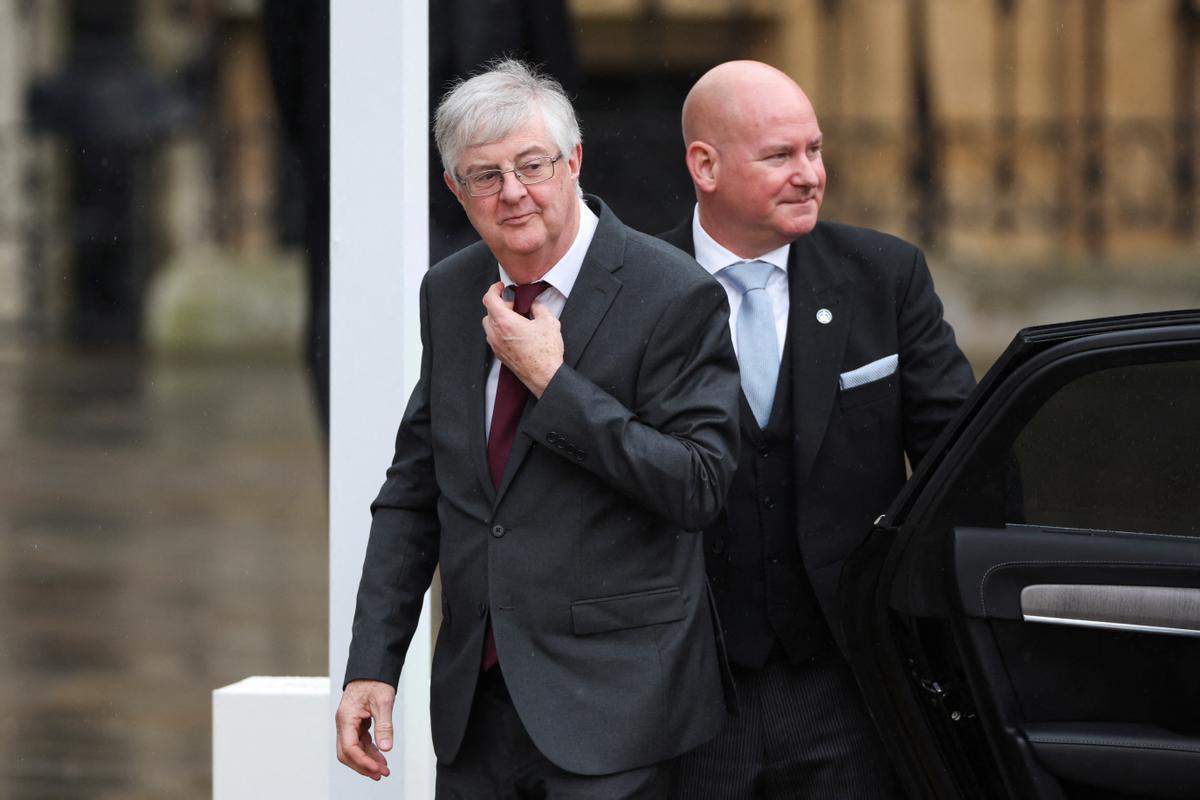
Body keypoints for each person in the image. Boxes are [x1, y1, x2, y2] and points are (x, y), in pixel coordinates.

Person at [335, 59, 741, 799]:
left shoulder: (674, 292)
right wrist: (372, 665)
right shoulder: (452, 289)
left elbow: (697, 486)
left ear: (574, 161)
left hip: (616, 715)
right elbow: (414, 490)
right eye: (484, 176)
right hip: (477, 711)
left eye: (532, 165)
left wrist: (556, 387)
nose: (513, 192)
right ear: (456, 190)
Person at [660, 61, 976, 798]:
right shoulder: (637, 290)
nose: (809, 174)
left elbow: (963, 471)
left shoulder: (885, 276)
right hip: (689, 695)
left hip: (847, 688)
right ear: (703, 165)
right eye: (780, 155)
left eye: (816, 149)